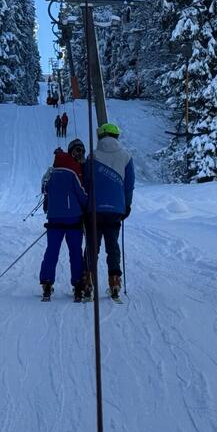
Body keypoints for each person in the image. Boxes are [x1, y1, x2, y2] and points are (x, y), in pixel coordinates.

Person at [82, 123, 134, 301]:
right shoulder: (126, 157)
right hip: (115, 210)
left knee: (92, 247)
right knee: (112, 247)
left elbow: (86, 183)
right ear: (116, 136)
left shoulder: (93, 156)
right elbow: (129, 186)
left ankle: (87, 279)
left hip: (94, 210)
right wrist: (126, 206)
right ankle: (114, 281)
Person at [39, 143, 89, 302]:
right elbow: (82, 195)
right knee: (75, 252)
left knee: (52, 251)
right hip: (74, 217)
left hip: (54, 218)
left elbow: (45, 190)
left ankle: (46, 282)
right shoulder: (73, 172)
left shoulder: (52, 172)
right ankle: (78, 285)